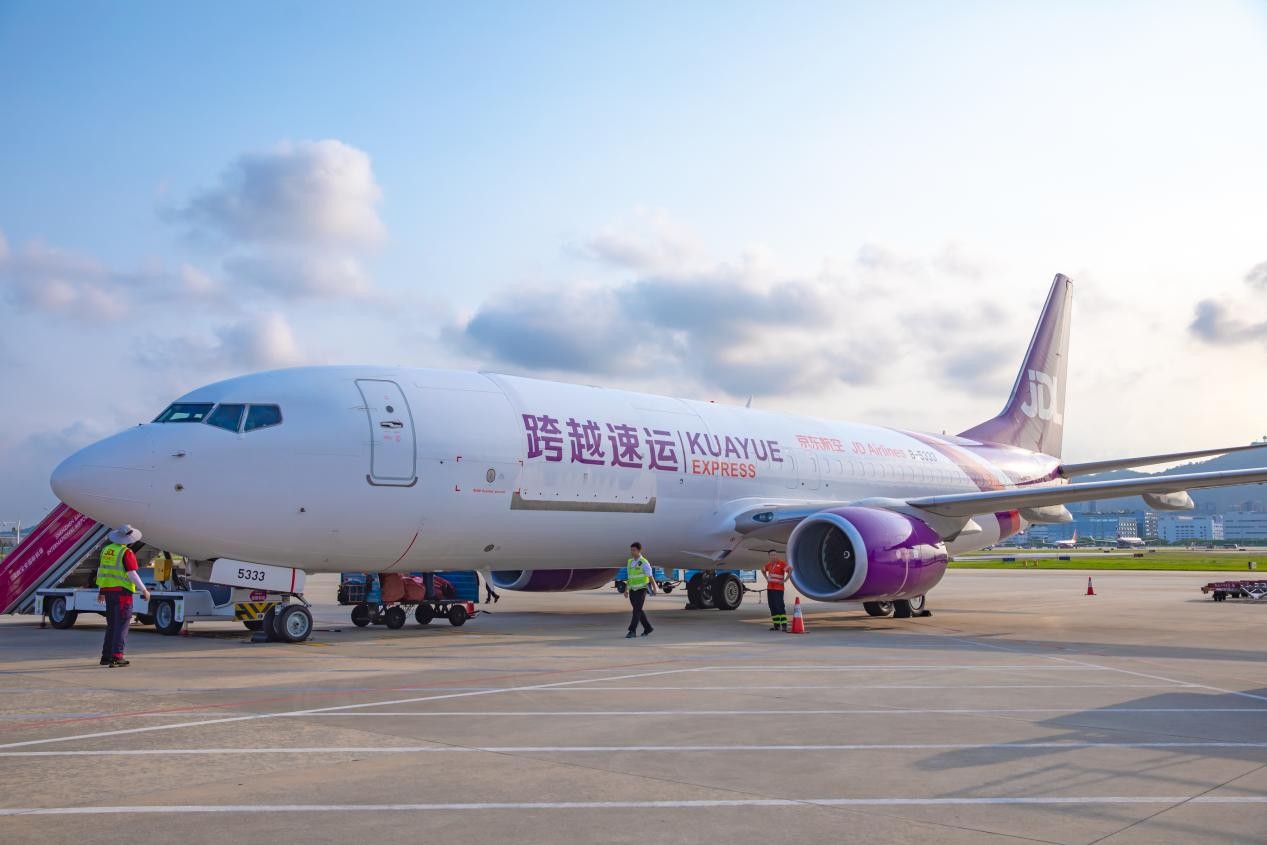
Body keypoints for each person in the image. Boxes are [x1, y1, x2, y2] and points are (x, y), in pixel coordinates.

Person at [95, 525, 150, 667]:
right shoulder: (126, 552)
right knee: (122, 625)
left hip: (108, 592)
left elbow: (102, 571)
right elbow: (132, 573)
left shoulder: (106, 550)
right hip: (122, 592)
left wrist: (101, 591)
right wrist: (144, 589)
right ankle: (117, 656)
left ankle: (106, 656)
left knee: (112, 625)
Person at [624, 542, 656, 638]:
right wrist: (626, 589)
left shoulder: (644, 562)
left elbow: (650, 576)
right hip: (632, 590)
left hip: (641, 589)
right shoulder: (630, 562)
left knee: (636, 610)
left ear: (639, 550)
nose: (632, 552)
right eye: (631, 550)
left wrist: (654, 588)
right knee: (637, 610)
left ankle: (632, 630)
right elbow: (629, 577)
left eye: (634, 550)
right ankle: (648, 628)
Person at [762, 549, 792, 631]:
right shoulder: (769, 565)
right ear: (769, 556)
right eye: (772, 555)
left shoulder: (781, 563)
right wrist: (766, 578)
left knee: (779, 606)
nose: (773, 556)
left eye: (775, 555)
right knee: (772, 606)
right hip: (770, 588)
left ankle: (784, 625)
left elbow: (790, 570)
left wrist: (785, 580)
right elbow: (763, 570)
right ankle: (776, 625)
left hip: (778, 589)